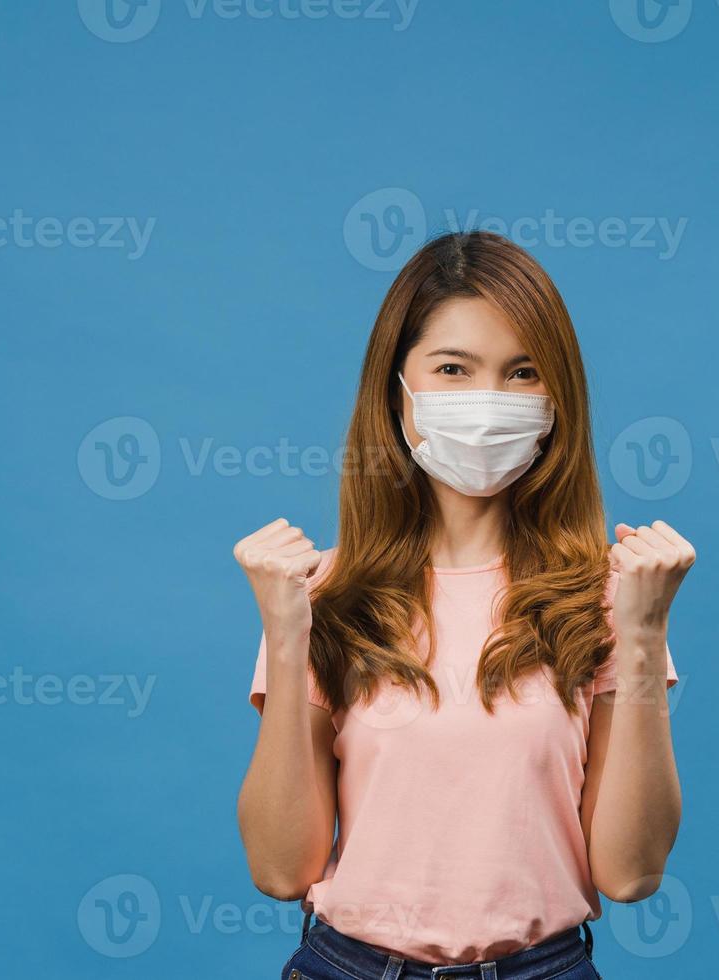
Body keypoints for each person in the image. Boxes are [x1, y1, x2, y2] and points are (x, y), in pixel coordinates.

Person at [236, 230, 693, 979]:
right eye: (452, 369)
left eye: (521, 374)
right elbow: (282, 870)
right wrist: (287, 637)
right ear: (397, 388)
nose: (486, 401)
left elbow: (631, 873)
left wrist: (643, 636)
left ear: (556, 402)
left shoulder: (609, 599)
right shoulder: (322, 595)